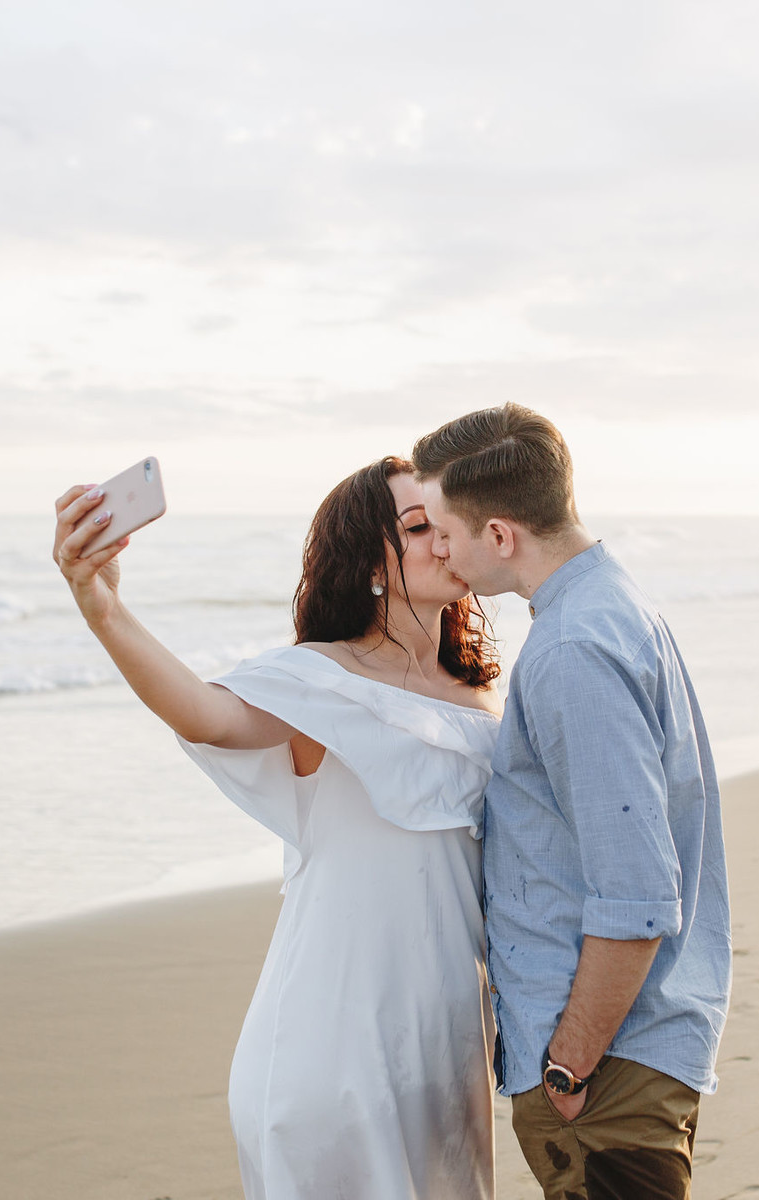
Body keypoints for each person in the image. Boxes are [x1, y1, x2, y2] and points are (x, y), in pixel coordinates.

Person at [52, 456, 502, 1200]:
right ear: (369, 564)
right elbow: (206, 713)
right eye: (417, 527)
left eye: (444, 521)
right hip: (335, 1045)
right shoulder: (317, 679)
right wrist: (102, 607)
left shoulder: (483, 691)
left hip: (446, 1048)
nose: (442, 541)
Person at [412, 405, 731, 1200]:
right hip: (631, 1055)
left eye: (444, 530)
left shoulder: (572, 651)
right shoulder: (614, 607)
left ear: (500, 535)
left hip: (605, 1073)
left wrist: (566, 1065)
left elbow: (635, 895)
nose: (440, 548)